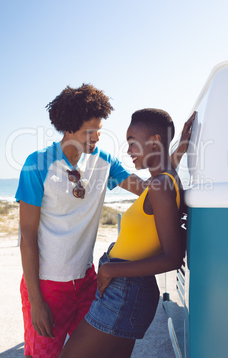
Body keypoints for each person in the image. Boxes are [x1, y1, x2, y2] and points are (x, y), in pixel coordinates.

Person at [15, 83, 195, 358]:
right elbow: (27, 235)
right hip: (48, 285)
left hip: (88, 280)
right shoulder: (37, 164)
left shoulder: (104, 162)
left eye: (99, 129)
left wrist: (178, 149)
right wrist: (36, 301)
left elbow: (151, 188)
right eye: (90, 131)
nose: (97, 137)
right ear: (69, 128)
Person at [59, 108, 187, 358]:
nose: (128, 151)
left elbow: (173, 257)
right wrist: (180, 147)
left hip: (125, 288)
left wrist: (110, 270)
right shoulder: (163, 180)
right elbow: (165, 169)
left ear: (155, 141)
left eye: (132, 143)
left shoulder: (161, 185)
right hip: (126, 289)